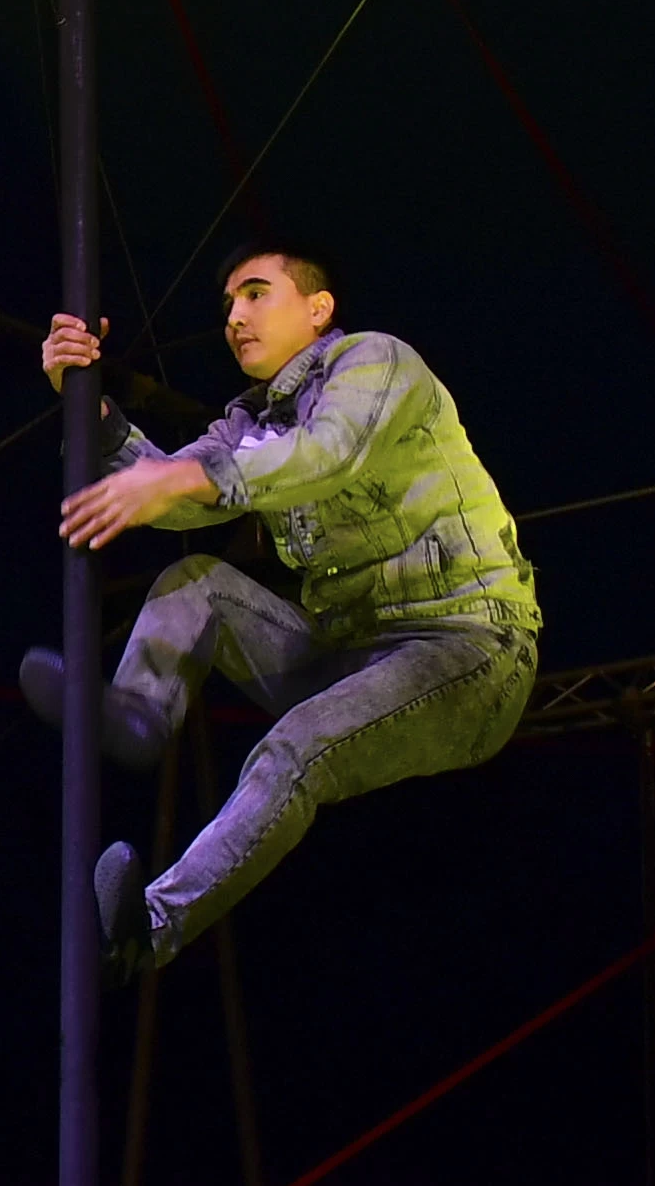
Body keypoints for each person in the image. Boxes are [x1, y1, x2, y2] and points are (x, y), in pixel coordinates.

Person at [33, 245, 537, 973]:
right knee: (200, 579)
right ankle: (137, 712)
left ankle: (146, 930)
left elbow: (327, 453)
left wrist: (181, 478)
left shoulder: (374, 362)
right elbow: (169, 494)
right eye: (229, 306)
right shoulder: (251, 419)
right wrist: (85, 397)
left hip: (464, 647)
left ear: (317, 307)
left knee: (294, 747)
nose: (235, 318)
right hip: (348, 652)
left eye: (256, 295)